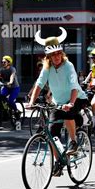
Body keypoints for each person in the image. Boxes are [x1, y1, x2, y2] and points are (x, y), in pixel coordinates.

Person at [28, 27, 88, 176]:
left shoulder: (69, 66)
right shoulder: (47, 68)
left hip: (77, 98)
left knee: (68, 114)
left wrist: (71, 103)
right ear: (48, 57)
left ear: (62, 53)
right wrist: (31, 102)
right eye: (53, 55)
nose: (56, 57)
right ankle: (59, 162)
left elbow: (74, 86)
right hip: (58, 101)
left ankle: (73, 141)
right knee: (52, 134)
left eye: (58, 54)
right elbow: (39, 84)